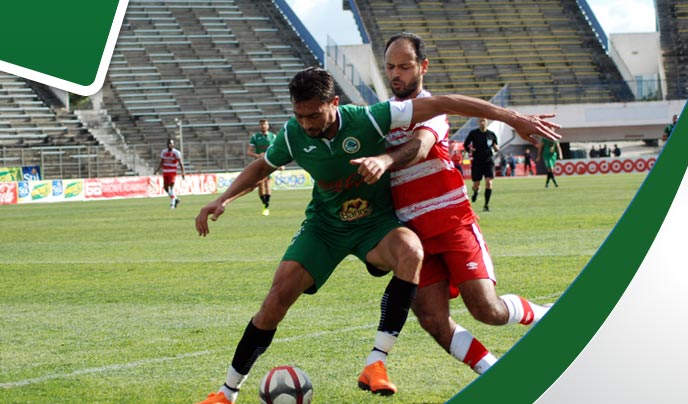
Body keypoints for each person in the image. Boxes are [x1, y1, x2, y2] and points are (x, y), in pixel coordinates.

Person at [194, 67, 561, 404]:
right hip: (325, 227)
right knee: (275, 301)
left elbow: (445, 103)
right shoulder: (292, 135)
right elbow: (263, 165)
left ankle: (376, 363)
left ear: (334, 104)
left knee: (411, 253)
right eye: (299, 115)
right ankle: (226, 393)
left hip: (375, 224)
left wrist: (512, 118)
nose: (306, 123)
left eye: (314, 115)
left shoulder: (369, 118)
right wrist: (223, 199)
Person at [359, 32, 555, 377]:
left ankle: (547, 316)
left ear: (423, 67)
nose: (395, 74)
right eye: (390, 67)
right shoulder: (382, 116)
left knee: (486, 310)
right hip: (413, 237)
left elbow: (420, 147)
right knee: (433, 320)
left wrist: (385, 161)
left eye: (404, 66)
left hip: (452, 223)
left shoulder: (431, 109)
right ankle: (494, 374)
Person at [463, 117, 498, 211]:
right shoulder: (473, 133)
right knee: (476, 184)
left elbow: (495, 145)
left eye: (484, 121)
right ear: (478, 122)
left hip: (488, 161)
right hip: (477, 161)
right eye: (481, 121)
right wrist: (470, 149)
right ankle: (475, 192)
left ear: (487, 122)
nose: (482, 122)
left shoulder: (491, 134)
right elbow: (465, 144)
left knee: (489, 182)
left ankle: (486, 205)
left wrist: (496, 148)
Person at [247, 119, 276, 216]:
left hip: (269, 163)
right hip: (258, 164)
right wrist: (258, 155)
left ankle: (266, 206)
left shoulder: (273, 136)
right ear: (259, 126)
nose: (263, 126)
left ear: (268, 126)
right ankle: (264, 204)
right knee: (260, 185)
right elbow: (249, 152)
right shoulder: (255, 137)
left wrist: (280, 163)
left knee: (267, 184)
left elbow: (277, 151)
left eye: (265, 124)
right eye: (261, 124)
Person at [155, 138, 185, 209]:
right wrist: (157, 170)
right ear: (167, 145)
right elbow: (161, 162)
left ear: (173, 144)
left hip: (172, 172)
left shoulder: (176, 152)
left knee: (171, 187)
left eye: (172, 143)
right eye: (169, 143)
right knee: (165, 188)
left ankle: (172, 204)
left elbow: (180, 163)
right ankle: (176, 199)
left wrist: (183, 173)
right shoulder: (163, 152)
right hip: (165, 172)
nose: (170, 145)